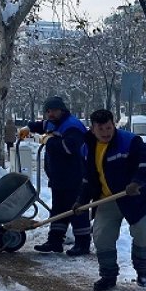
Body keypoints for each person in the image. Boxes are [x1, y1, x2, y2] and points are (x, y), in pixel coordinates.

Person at [79, 108, 146, 291]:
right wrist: (81, 200)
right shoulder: (87, 148)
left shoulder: (129, 141)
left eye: (109, 128)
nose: (106, 133)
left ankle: (143, 271)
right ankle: (108, 275)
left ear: (113, 125)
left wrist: (137, 181)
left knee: (143, 234)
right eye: (101, 129)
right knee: (102, 236)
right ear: (93, 129)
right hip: (107, 199)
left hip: (135, 197)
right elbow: (88, 178)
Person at [24, 96, 91, 256]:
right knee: (58, 209)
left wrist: (47, 140)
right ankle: (55, 241)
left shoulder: (72, 126)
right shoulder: (55, 122)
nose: (50, 114)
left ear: (62, 110)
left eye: (54, 110)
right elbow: (43, 125)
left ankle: (83, 243)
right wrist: (28, 128)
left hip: (74, 175)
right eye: (48, 111)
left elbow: (68, 148)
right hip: (59, 176)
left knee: (77, 209)